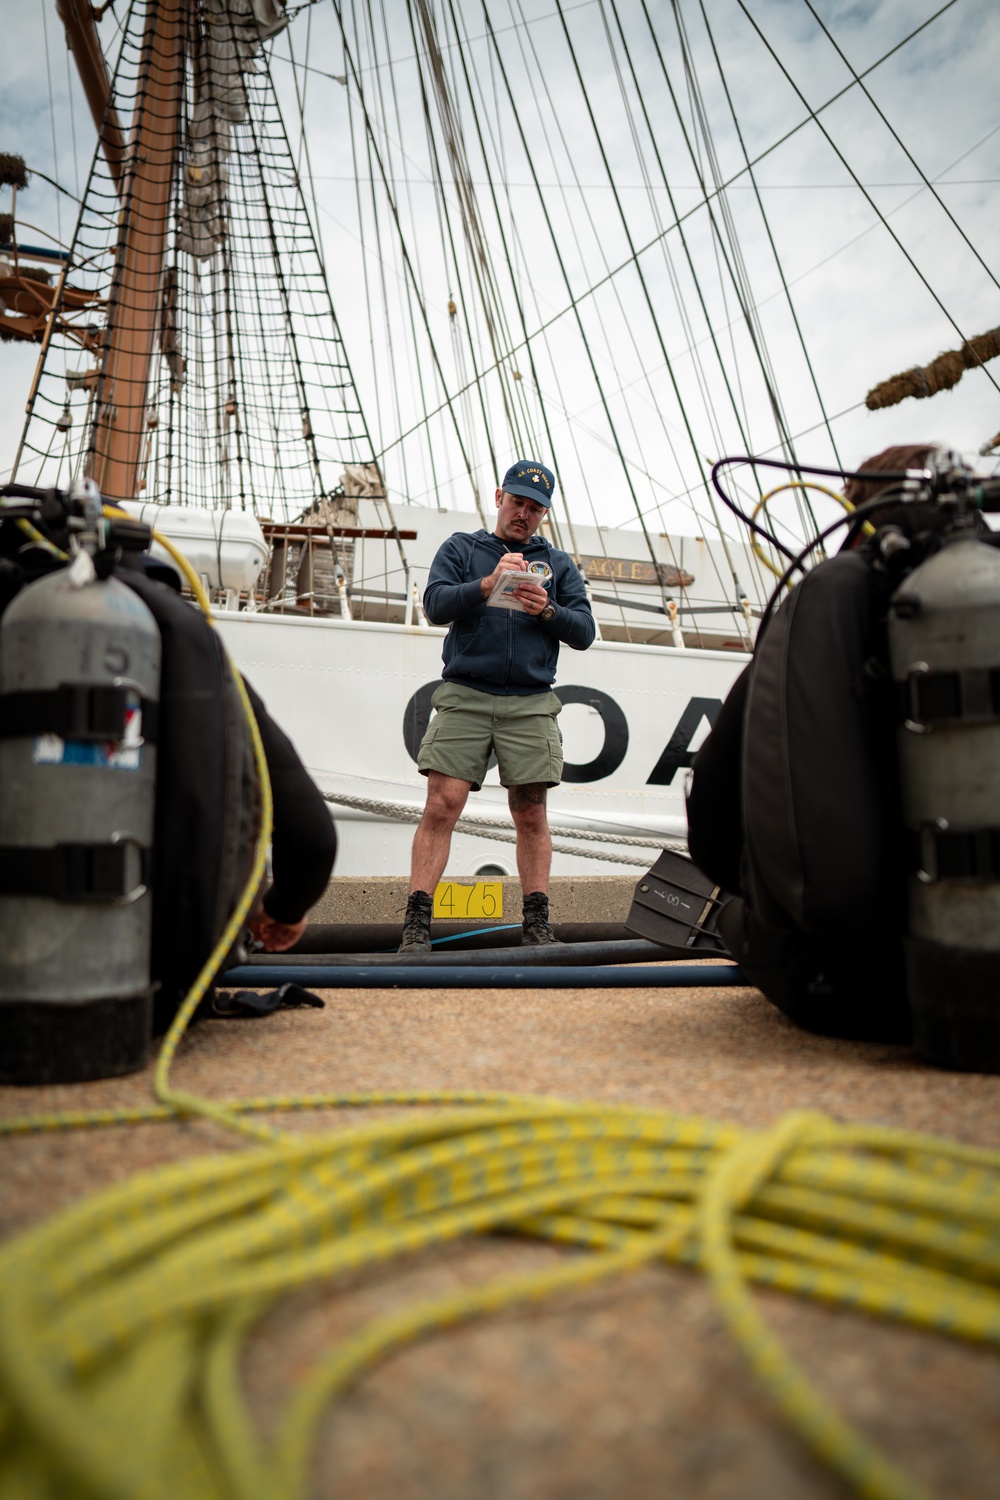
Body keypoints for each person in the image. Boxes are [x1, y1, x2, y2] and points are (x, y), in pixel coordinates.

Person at [685, 443, 947, 1044]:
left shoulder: (827, 608)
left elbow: (715, 828)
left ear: (850, 513)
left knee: (735, 918)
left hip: (861, 987)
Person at [400, 460, 596, 951]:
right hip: (465, 694)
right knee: (442, 805)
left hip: (530, 702)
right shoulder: (463, 549)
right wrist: (486, 585)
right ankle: (416, 927)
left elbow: (585, 632)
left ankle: (536, 926)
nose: (523, 515)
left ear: (543, 515)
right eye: (517, 503)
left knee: (531, 812)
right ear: (498, 498)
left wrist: (546, 608)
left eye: (534, 509)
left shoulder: (560, 565)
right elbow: (435, 604)